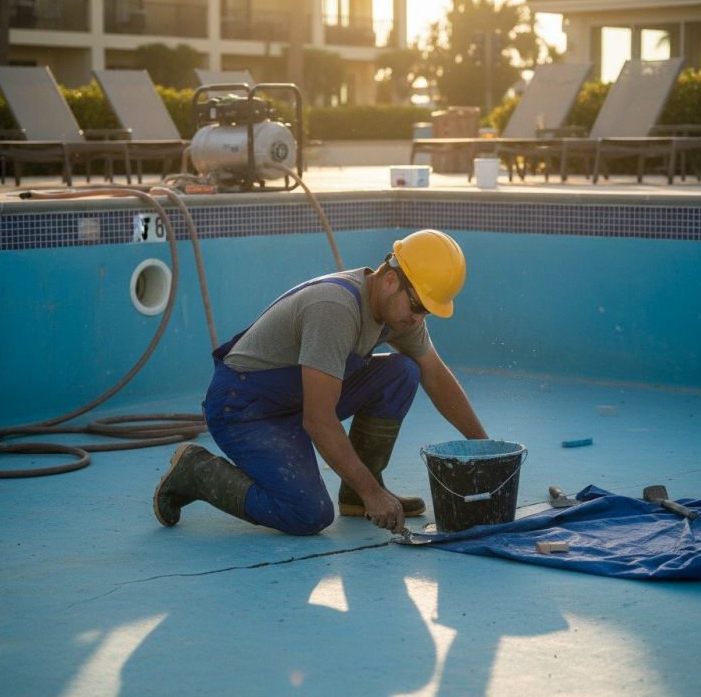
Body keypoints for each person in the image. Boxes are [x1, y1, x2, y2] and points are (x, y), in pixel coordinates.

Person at [153, 229, 488, 536]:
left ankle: (357, 493)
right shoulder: (335, 309)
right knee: (308, 513)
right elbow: (318, 419)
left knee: (402, 372)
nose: (418, 317)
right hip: (245, 408)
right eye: (417, 305)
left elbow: (435, 374)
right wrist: (376, 495)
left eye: (427, 311)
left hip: (294, 401)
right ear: (389, 280)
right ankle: (195, 471)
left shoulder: (400, 313)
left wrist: (485, 449)